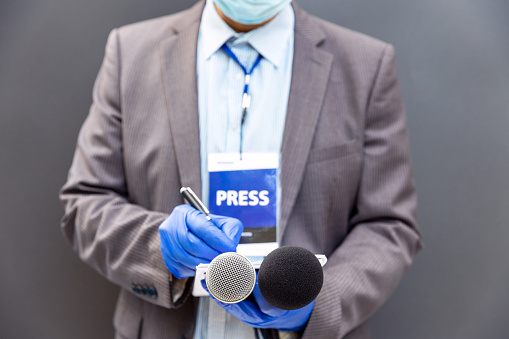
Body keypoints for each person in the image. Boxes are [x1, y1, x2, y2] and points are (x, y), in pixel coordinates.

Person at [60, 0, 423, 338]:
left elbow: (389, 225)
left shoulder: (367, 64)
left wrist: (317, 304)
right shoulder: (131, 51)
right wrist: (159, 246)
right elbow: (85, 204)